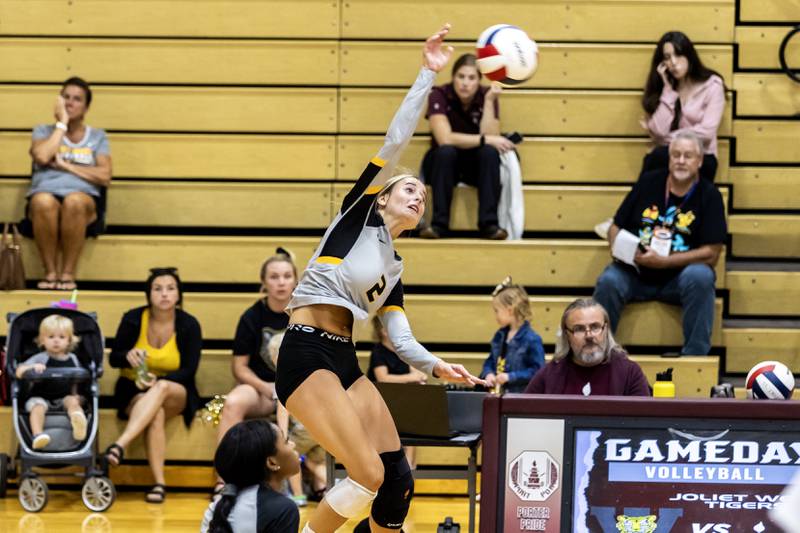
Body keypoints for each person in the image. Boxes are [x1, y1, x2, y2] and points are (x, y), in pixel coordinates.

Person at [276, 24, 486, 533]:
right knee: (366, 472)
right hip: (305, 352)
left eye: (423, 194)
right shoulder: (357, 214)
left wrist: (439, 367)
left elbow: (400, 337)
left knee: (396, 481)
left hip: (343, 359)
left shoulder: (395, 266)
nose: (418, 196)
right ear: (384, 196)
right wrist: (426, 74)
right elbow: (397, 139)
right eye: (409, 188)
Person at [593, 131, 726, 356]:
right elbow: (615, 227)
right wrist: (627, 252)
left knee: (701, 276)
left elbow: (712, 253)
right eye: (676, 155)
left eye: (688, 156)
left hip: (679, 277)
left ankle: (695, 356)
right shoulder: (648, 182)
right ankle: (598, 355)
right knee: (609, 280)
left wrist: (665, 262)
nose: (681, 161)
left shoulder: (710, 195)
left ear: (700, 161)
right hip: (635, 271)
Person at [105, 267, 203, 503]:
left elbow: (189, 370)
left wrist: (158, 381)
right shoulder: (133, 318)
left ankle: (119, 445)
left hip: (176, 390)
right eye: (157, 289)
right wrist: (127, 355)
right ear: (148, 294)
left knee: (161, 388)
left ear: (179, 294)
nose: (164, 294)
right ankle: (159, 483)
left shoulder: (189, 324)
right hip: (133, 388)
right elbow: (113, 358)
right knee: (156, 414)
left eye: (170, 288)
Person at [212, 249, 297, 498]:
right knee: (232, 402)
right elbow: (239, 367)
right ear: (264, 282)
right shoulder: (252, 316)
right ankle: (222, 481)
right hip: (264, 390)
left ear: (295, 280)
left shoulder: (305, 313)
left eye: (286, 276)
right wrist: (266, 388)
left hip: (297, 391)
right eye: (274, 277)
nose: (281, 282)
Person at [27, 76, 112, 290]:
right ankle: (50, 273)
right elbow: (42, 157)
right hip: (45, 194)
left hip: (83, 200)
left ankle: (67, 273)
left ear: (86, 107)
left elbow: (105, 176)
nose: (70, 103)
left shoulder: (98, 137)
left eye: (77, 99)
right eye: (66, 97)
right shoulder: (42, 131)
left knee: (74, 201)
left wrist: (67, 166)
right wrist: (61, 124)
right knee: (43, 202)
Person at [418, 53, 514, 240]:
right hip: (442, 165)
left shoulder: (488, 95)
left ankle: (489, 225)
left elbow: (491, 137)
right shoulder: (439, 94)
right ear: (453, 78)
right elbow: (444, 138)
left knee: (489, 153)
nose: (465, 83)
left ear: (479, 80)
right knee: (446, 152)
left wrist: (488, 102)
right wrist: (484, 140)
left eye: (471, 78)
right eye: (461, 77)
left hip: (474, 166)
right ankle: (438, 225)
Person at [640, 31, 726, 182]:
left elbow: (706, 132)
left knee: (656, 158)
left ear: (689, 56)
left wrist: (667, 138)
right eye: (667, 58)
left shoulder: (712, 85)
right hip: (671, 157)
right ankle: (639, 206)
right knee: (652, 172)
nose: (673, 62)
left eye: (678, 55)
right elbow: (659, 130)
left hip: (702, 157)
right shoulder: (667, 90)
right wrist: (668, 91)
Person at [525, 298, 650, 396]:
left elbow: (644, 423)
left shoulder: (630, 373)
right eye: (579, 329)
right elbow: (524, 418)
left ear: (605, 330)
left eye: (595, 327)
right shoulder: (549, 375)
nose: (589, 336)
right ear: (567, 335)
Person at [201, 419, 301, 533]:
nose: (293, 445)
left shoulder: (215, 509)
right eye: (286, 441)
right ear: (272, 463)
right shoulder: (283, 509)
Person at [269, 333, 327, 507]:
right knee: (313, 461)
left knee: (291, 456)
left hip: (305, 427)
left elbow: (283, 409)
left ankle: (298, 496)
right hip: (323, 427)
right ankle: (341, 489)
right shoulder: (309, 373)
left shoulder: (284, 377)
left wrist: (283, 435)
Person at [15, 314, 87, 449]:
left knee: (73, 401)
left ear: (69, 340)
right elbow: (18, 371)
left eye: (61, 337)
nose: (56, 341)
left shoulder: (73, 359)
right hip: (40, 397)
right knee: (38, 408)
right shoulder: (40, 358)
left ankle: (78, 422)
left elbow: (76, 380)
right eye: (51, 337)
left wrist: (75, 394)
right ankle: (38, 435)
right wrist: (32, 368)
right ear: (42, 340)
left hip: (63, 398)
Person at [366, 316, 425, 471]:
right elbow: (383, 378)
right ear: (384, 331)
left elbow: (417, 372)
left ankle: (409, 467)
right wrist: (411, 377)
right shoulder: (378, 351)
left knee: (414, 427)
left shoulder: (403, 350)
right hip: (381, 402)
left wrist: (419, 376)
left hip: (402, 401)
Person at [481, 277, 545, 394]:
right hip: (499, 395)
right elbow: (490, 360)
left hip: (520, 398)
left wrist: (510, 376)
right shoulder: (499, 336)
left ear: (510, 310)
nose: (495, 315)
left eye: (496, 311)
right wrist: (488, 373)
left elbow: (538, 371)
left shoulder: (532, 339)